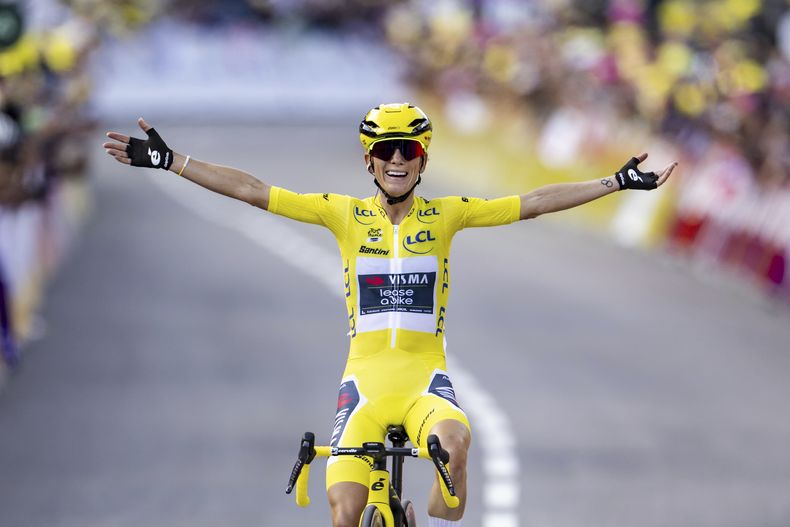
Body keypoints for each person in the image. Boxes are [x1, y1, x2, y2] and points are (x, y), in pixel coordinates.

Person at [103, 103, 677, 527]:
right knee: (344, 514)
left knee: (453, 468)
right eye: (386, 150)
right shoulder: (343, 215)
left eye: (409, 149)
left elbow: (534, 202)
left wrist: (615, 182)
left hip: (424, 381)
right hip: (364, 386)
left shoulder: (448, 215)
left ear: (422, 160)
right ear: (370, 160)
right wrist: (172, 160)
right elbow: (254, 190)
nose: (397, 158)